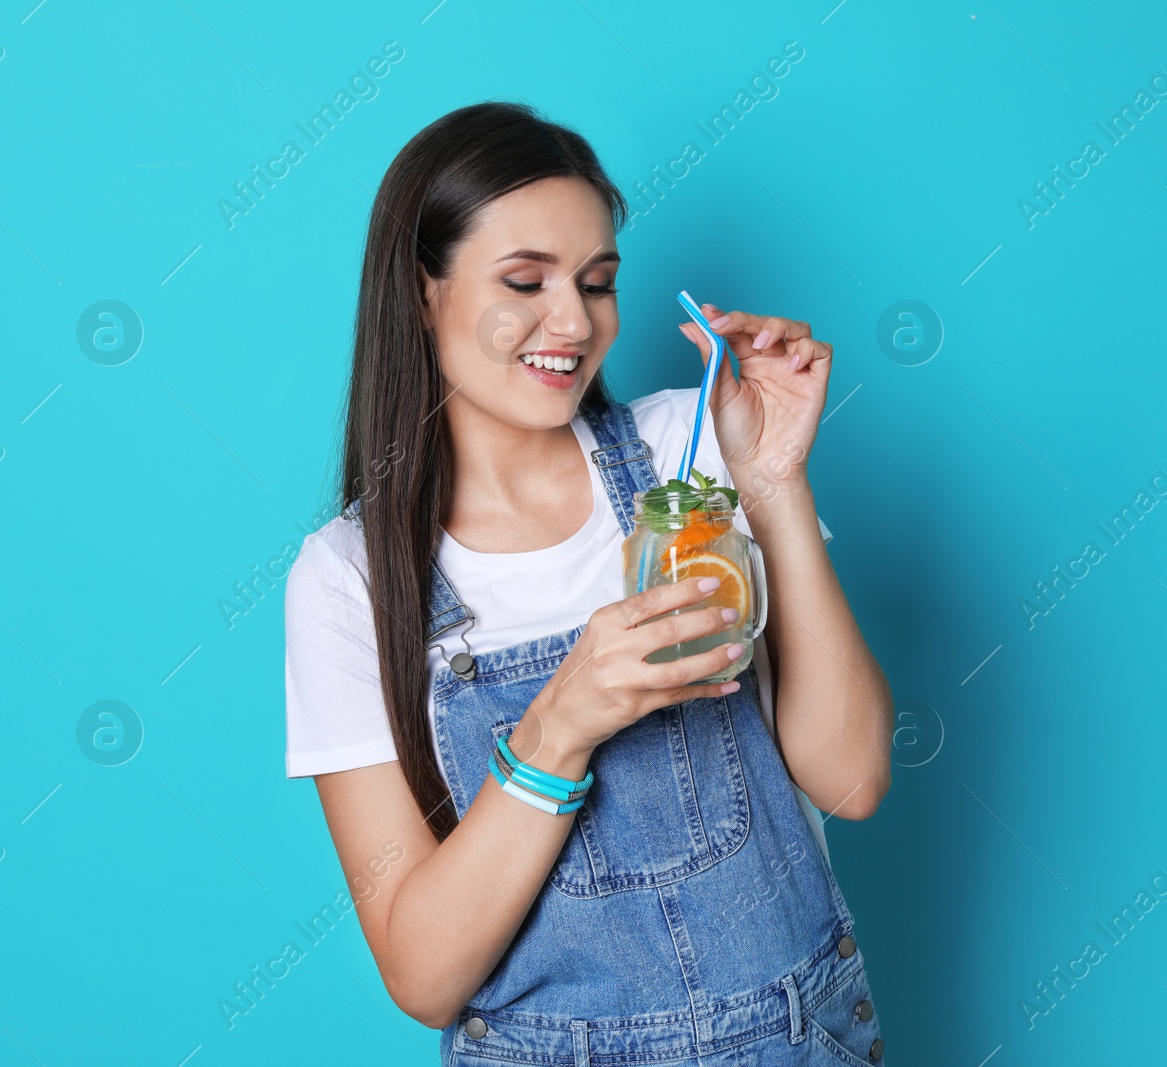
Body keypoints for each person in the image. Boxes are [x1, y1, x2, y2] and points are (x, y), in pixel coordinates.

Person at [283, 100, 894, 1065]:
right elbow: (421, 971)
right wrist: (561, 721)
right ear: (418, 290)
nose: (573, 321)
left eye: (598, 282)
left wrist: (773, 485)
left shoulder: (690, 461)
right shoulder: (350, 579)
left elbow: (852, 776)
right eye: (525, 281)